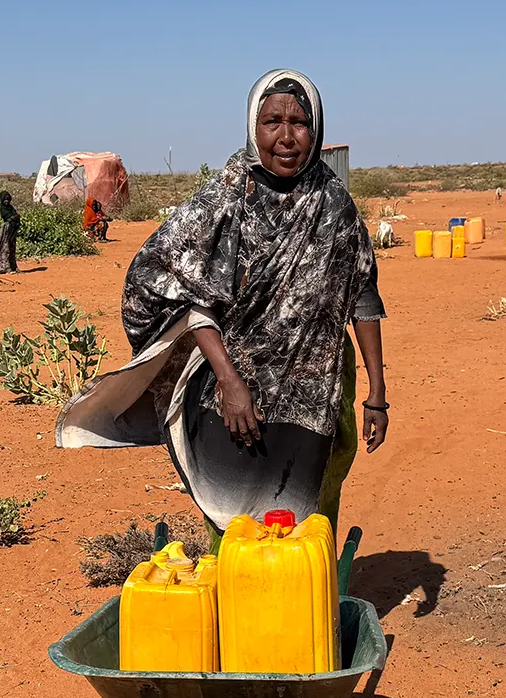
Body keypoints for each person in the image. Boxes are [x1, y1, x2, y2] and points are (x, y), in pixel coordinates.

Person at [56, 69, 388, 542]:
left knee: (314, 504)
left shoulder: (334, 203)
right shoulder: (226, 199)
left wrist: (377, 394)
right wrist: (230, 383)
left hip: (320, 386)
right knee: (236, 520)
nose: (287, 136)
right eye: (272, 121)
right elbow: (182, 290)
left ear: (316, 129)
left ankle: (312, 587)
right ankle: (235, 586)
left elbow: (362, 295)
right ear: (253, 127)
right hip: (236, 382)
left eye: (299, 122)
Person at [0, 190, 19, 274]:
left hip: (12, 229)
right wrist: (14, 217)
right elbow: (10, 217)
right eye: (5, 199)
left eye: (8, 199)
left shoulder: (11, 208)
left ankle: (13, 267)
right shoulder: (3, 208)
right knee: (4, 248)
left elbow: (15, 217)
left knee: (11, 248)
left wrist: (15, 218)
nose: (7, 201)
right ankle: (3, 268)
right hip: (6, 230)